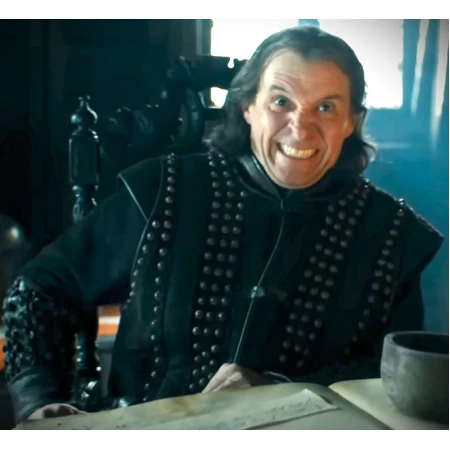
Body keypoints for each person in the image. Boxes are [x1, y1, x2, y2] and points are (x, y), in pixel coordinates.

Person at [2, 25, 443, 424]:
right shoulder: (166, 191)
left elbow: (393, 374)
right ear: (248, 106)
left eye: (326, 107)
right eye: (281, 102)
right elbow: (38, 290)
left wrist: (280, 385)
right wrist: (40, 399)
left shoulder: (392, 235)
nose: (301, 127)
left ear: (351, 122)